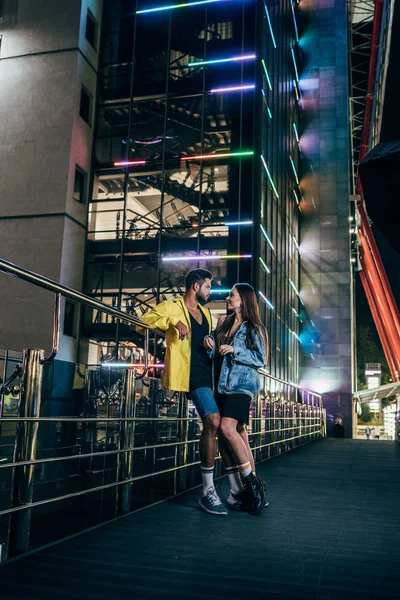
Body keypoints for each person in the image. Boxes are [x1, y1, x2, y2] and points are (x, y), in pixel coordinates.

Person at [140, 268, 227, 516]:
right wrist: (171, 321)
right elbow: (142, 321)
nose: (210, 291)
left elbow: (207, 345)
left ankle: (235, 485)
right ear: (195, 287)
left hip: (211, 376)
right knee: (212, 421)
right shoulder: (172, 307)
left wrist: (210, 343)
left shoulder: (207, 314)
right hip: (191, 377)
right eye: (208, 286)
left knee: (228, 425)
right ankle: (208, 491)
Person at [204, 283, 268, 515]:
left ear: (243, 300)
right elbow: (214, 352)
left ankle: (251, 483)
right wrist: (209, 343)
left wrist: (235, 351)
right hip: (220, 385)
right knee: (233, 434)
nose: (228, 298)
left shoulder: (254, 328)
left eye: (232, 295)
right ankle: (238, 491)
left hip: (241, 385)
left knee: (227, 428)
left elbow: (260, 359)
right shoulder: (223, 322)